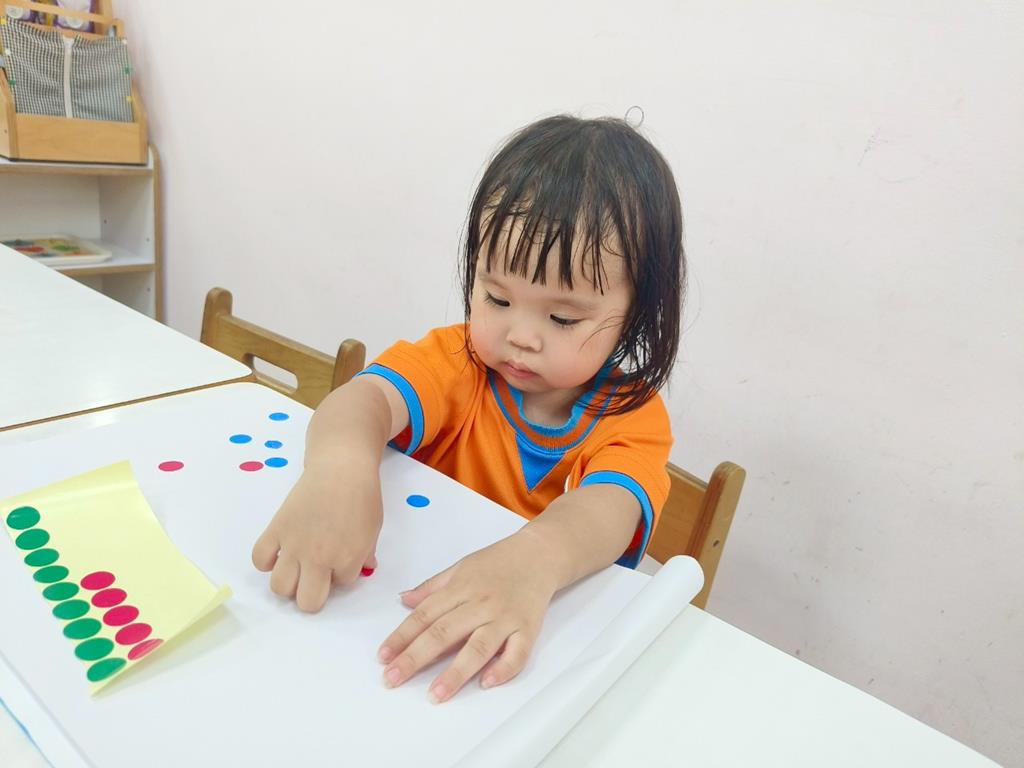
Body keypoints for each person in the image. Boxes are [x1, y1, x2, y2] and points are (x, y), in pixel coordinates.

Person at [251, 113, 685, 703]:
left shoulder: (631, 416)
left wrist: (534, 560)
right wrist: (340, 468)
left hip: (517, 674)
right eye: (497, 298)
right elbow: (365, 400)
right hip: (373, 628)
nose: (520, 336)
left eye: (562, 318)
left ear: (635, 315)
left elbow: (610, 509)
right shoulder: (459, 362)